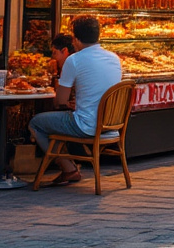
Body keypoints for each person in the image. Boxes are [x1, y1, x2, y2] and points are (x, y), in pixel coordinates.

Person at [27, 17, 123, 182]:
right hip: (112, 126)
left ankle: (68, 167)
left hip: (85, 126)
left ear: (76, 39)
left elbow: (60, 102)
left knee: (36, 123)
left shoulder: (74, 60)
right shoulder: (114, 58)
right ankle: (70, 165)